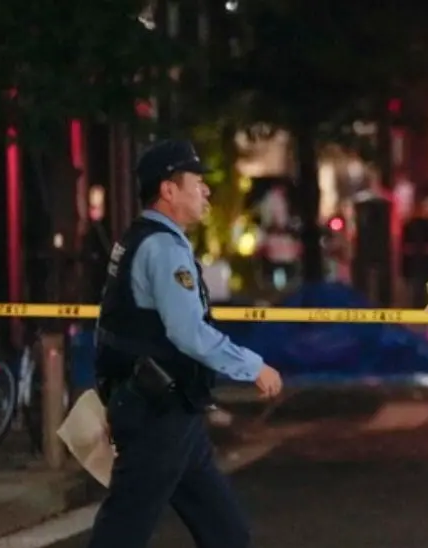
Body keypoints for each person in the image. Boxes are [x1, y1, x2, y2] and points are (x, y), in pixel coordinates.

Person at [88, 139, 284, 548]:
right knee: (123, 530)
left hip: (171, 407)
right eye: (197, 180)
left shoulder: (139, 240)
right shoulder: (162, 249)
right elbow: (188, 332)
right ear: (168, 189)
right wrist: (252, 366)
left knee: (226, 533)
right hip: (158, 411)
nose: (206, 190)